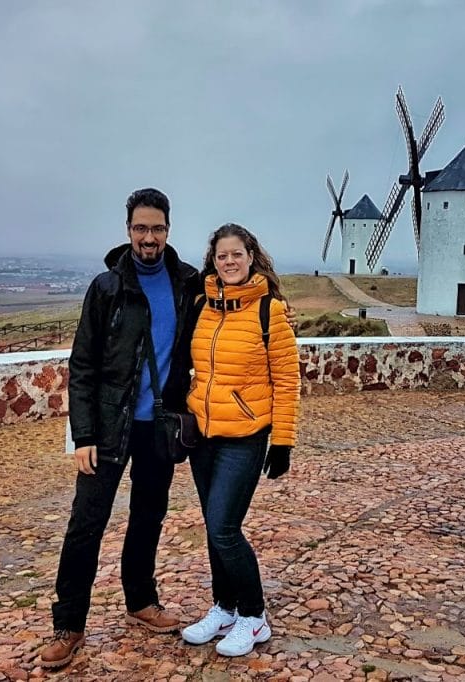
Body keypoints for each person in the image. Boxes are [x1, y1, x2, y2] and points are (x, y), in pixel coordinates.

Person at [39, 188, 202, 668]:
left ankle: (140, 601)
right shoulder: (106, 287)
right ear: (128, 230)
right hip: (110, 426)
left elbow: (235, 298)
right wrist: (83, 435)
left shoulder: (187, 282)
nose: (148, 237)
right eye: (140, 228)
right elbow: (83, 364)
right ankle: (68, 625)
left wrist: (280, 312)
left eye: (156, 228)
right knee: (85, 525)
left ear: (168, 231)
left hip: (161, 426)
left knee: (149, 517)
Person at [180, 223, 300, 657]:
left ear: (252, 257)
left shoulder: (270, 311)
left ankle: (253, 617)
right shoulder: (203, 306)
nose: (229, 262)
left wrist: (282, 442)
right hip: (204, 435)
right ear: (213, 260)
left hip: (245, 436)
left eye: (237, 254)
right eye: (221, 256)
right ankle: (224, 607)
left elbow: (287, 382)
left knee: (226, 529)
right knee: (214, 528)